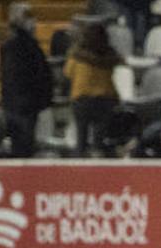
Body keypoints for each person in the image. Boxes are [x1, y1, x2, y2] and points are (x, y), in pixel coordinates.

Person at [0, 2, 53, 158]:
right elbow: (15, 76)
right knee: (22, 147)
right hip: (22, 105)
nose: (33, 21)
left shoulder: (27, 43)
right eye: (28, 17)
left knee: (25, 146)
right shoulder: (17, 44)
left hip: (24, 103)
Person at [64, 23, 122, 158]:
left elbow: (68, 73)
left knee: (81, 138)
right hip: (105, 99)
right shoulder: (109, 56)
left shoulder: (77, 56)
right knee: (99, 140)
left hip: (81, 99)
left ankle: (79, 163)